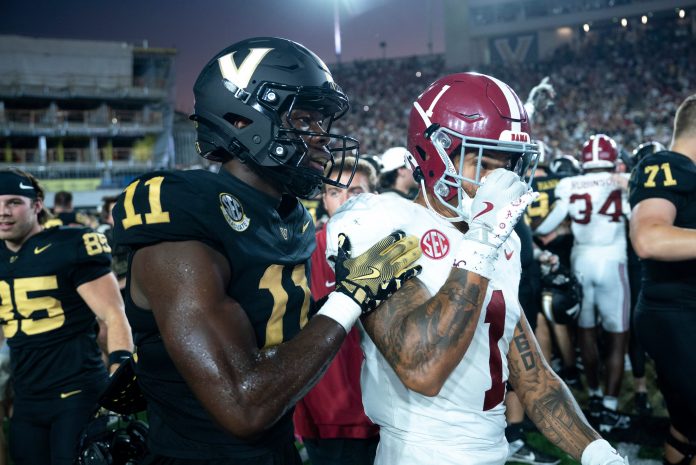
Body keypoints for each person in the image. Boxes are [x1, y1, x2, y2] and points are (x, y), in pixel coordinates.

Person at [111, 37, 421, 464]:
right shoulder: (187, 214)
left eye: (322, 122)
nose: (322, 138)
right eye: (305, 119)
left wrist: (345, 295)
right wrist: (351, 298)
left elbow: (276, 334)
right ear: (241, 119)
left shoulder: (289, 215)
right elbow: (244, 406)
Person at [326, 72, 627, 465]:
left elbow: (534, 379)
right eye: (485, 162)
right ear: (435, 153)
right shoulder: (379, 220)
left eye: (511, 164)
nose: (501, 180)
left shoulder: (505, 240)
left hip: (492, 450)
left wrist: (599, 456)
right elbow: (422, 368)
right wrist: (482, 239)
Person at [0, 168, 133, 465]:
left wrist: (119, 368)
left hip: (76, 391)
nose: (3, 212)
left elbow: (113, 313)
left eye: (13, 202)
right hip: (26, 395)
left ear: (36, 205)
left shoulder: (69, 245)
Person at [536, 134, 632, 434]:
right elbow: (634, 214)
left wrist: (539, 233)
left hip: (581, 260)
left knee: (586, 332)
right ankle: (609, 407)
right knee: (618, 336)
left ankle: (592, 396)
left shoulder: (569, 185)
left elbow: (548, 225)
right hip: (613, 259)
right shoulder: (622, 181)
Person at [293, 156, 380, 465]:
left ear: (374, 197)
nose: (345, 200)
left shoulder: (401, 251)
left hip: (396, 410)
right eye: (335, 192)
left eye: (355, 191)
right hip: (331, 413)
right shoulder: (305, 253)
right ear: (325, 200)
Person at [629, 94, 696, 465]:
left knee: (685, 427)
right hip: (676, 314)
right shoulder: (666, 164)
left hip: (676, 312)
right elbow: (649, 238)